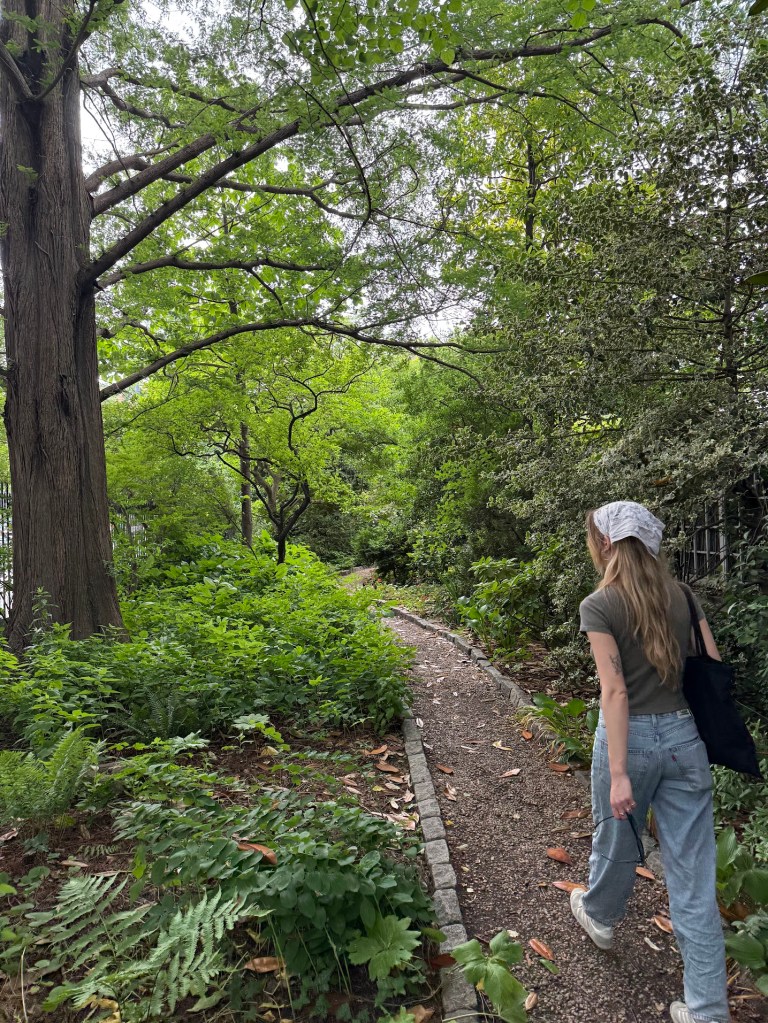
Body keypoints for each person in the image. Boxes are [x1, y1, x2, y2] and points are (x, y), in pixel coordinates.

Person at [570, 500, 730, 1023]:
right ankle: (708, 1010)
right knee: (694, 877)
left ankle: (600, 916)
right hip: (685, 738)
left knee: (618, 835)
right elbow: (712, 665)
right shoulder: (683, 595)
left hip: (628, 740)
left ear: (606, 543)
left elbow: (615, 692)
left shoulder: (599, 605)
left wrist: (619, 774)